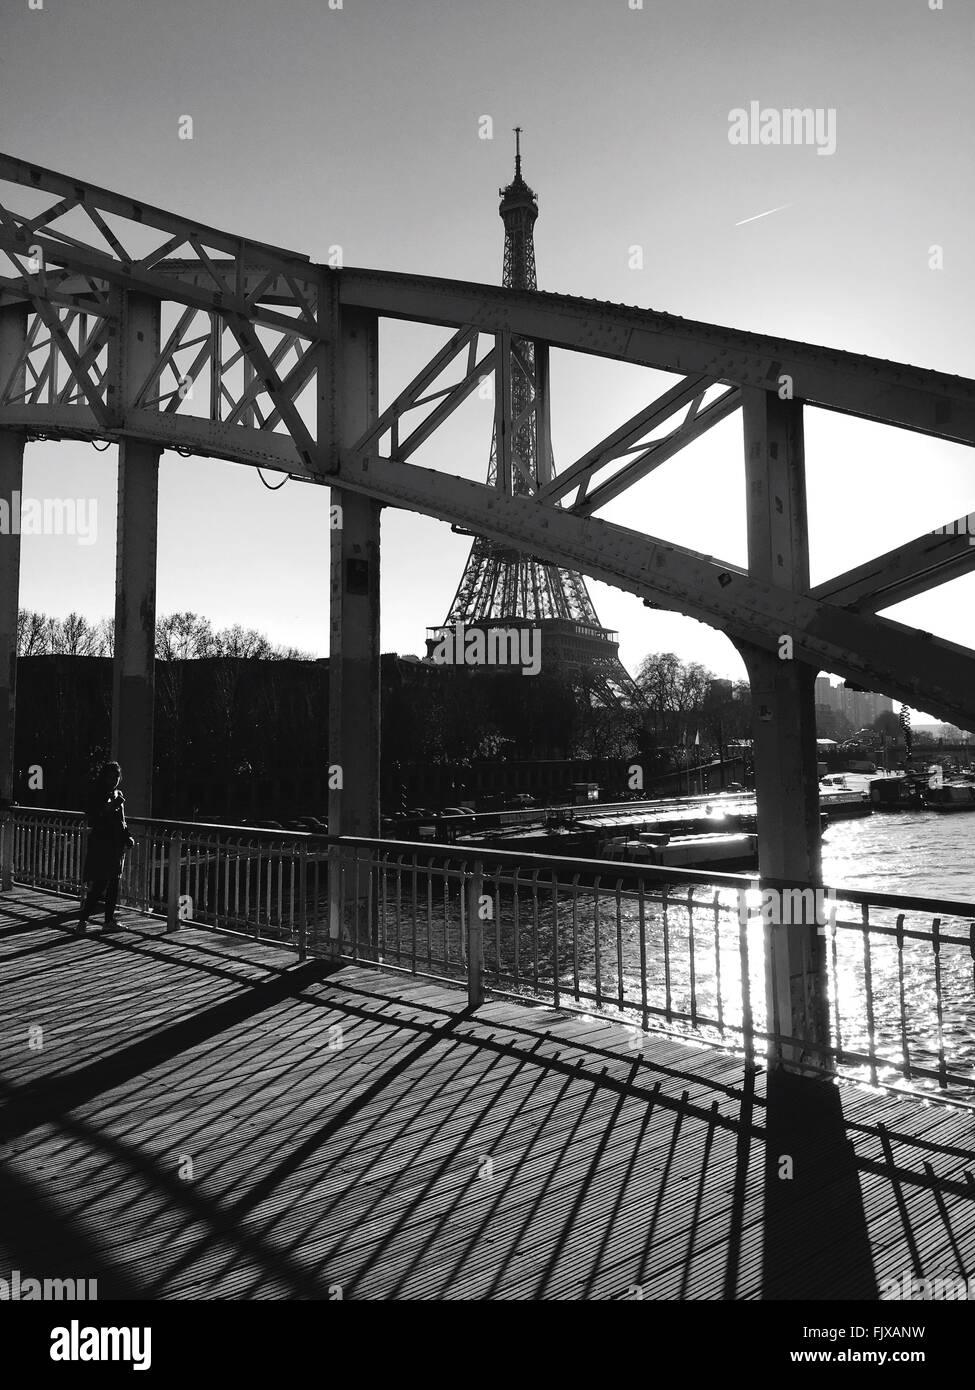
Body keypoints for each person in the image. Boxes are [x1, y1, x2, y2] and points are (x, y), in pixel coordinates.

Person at [78, 761, 135, 931]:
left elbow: (122, 821)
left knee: (113, 882)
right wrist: (106, 809)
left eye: (116, 776)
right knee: (102, 882)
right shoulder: (97, 793)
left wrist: (127, 837)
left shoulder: (118, 794)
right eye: (110, 777)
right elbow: (92, 817)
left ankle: (107, 920)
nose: (113, 780)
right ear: (104, 777)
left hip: (116, 843)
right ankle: (85, 920)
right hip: (102, 842)